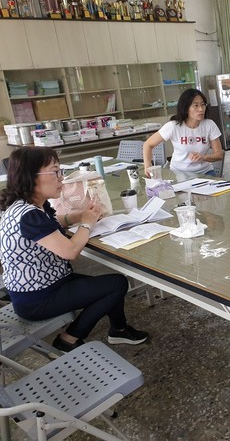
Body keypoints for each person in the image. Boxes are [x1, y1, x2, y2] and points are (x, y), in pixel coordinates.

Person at [0, 147, 149, 353]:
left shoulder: (27, 205)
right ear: (32, 176)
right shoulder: (29, 216)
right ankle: (69, 338)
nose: (61, 178)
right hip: (36, 298)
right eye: (55, 172)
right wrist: (86, 224)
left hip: (48, 283)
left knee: (108, 285)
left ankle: (119, 329)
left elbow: (53, 222)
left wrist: (79, 216)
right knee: (116, 284)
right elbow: (70, 252)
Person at [143, 88, 224, 179]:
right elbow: (148, 144)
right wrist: (147, 166)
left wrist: (203, 157)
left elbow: (219, 155)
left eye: (203, 105)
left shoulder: (209, 125)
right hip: (178, 174)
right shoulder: (173, 126)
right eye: (196, 106)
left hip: (205, 173)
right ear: (186, 108)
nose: (201, 109)